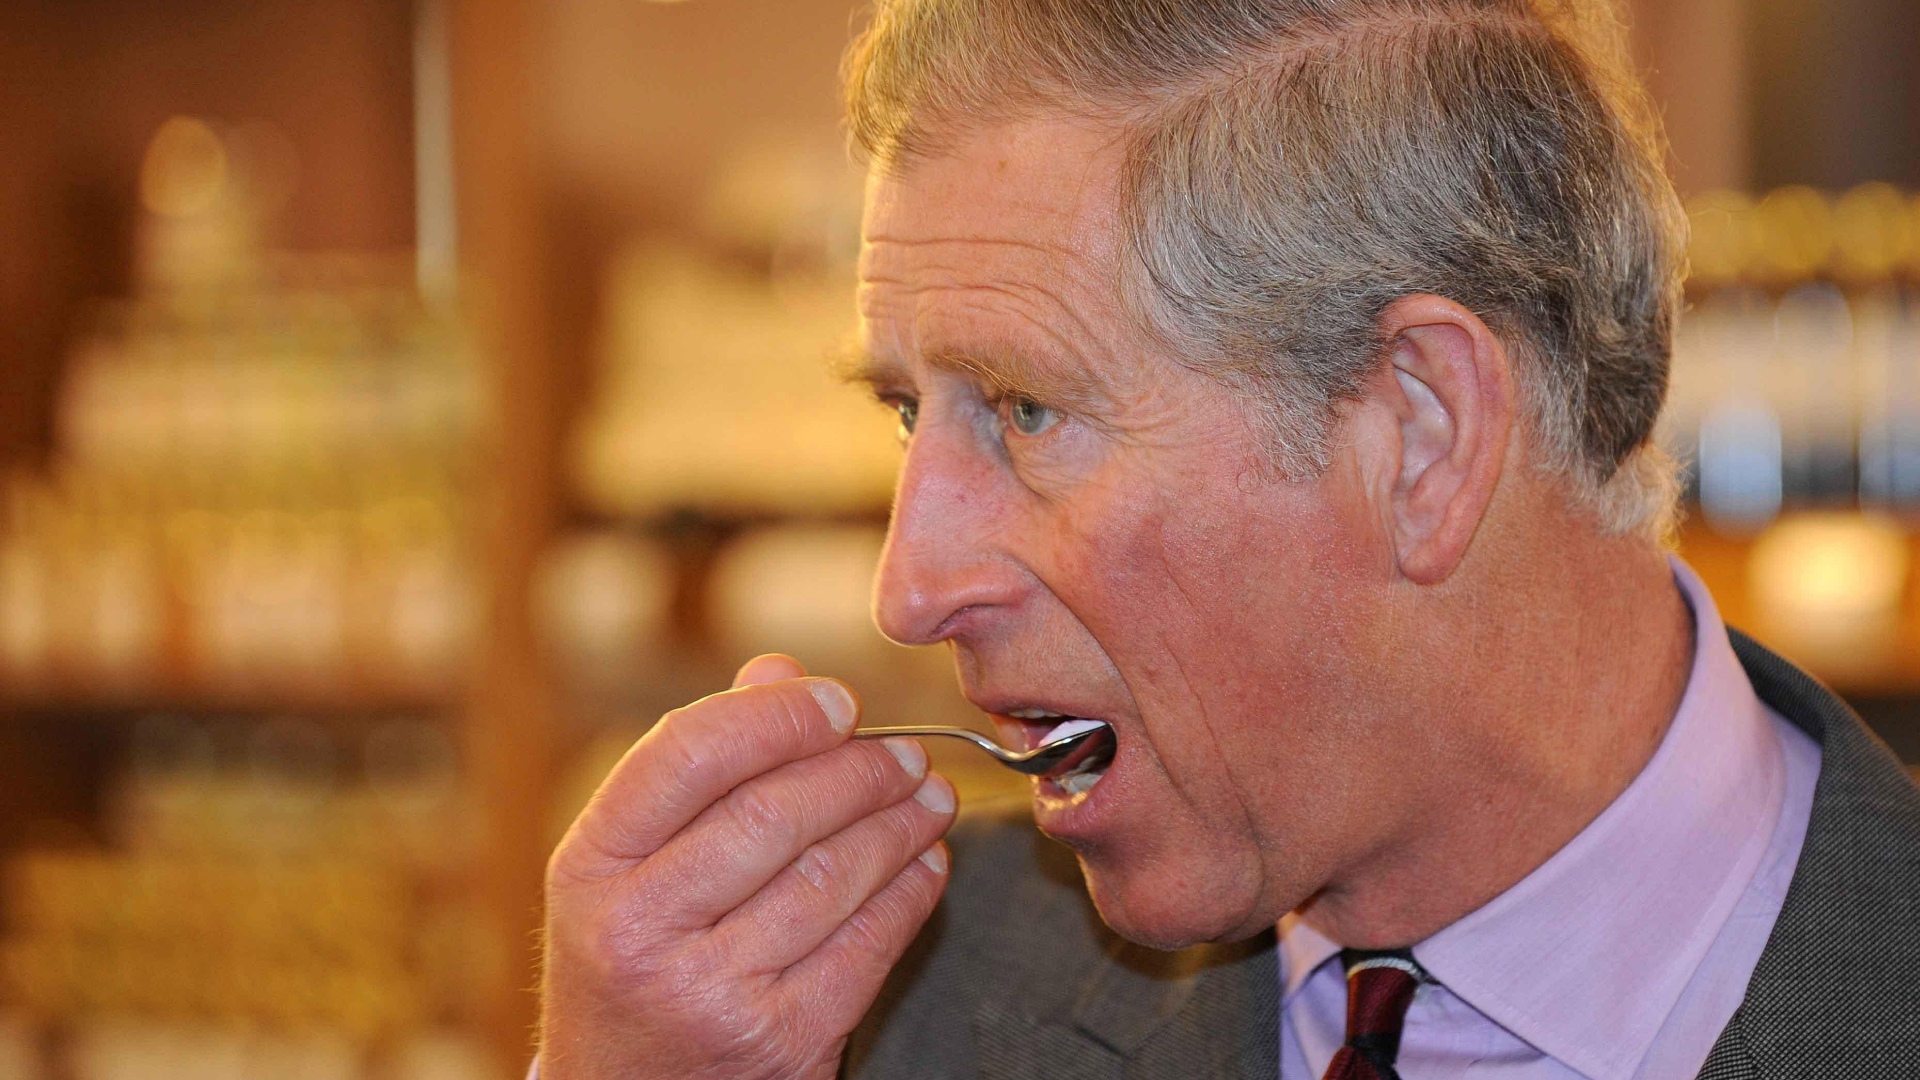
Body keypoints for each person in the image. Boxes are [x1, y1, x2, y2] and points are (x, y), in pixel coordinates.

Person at [536, 1, 1920, 1077]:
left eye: (1028, 409)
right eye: (910, 413)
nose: (907, 590)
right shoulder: (870, 1013)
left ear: (1420, 433)